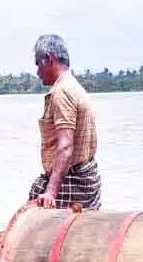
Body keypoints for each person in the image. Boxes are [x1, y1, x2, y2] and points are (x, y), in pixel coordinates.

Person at [30, 34, 101, 210]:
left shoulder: (62, 92)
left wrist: (51, 192)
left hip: (73, 181)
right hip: (85, 177)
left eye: (38, 65)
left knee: (34, 221)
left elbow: (66, 146)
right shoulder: (73, 86)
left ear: (48, 59)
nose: (38, 73)